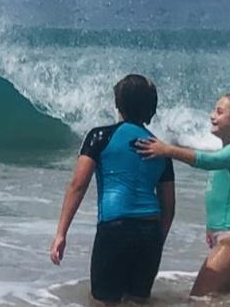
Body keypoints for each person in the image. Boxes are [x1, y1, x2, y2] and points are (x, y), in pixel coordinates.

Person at [50, 74, 175, 304]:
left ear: (118, 103)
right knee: (137, 301)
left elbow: (78, 186)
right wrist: (157, 241)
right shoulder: (161, 148)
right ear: (151, 108)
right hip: (150, 231)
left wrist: (61, 233)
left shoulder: (100, 137)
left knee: (104, 302)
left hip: (115, 228)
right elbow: (168, 207)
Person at [136, 93, 230, 297]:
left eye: (219, 112)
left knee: (197, 300)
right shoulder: (228, 151)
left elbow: (208, 161)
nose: (212, 115)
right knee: (219, 300)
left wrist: (167, 150)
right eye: (213, 110)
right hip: (226, 238)